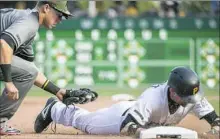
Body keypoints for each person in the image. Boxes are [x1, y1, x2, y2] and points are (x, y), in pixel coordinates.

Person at [0, 1, 97, 135]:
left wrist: (58, 91)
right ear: (46, 8)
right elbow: (4, 44)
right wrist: (9, 82)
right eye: (59, 15)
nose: (60, 20)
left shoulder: (26, 21)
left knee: (28, 70)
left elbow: (29, 71)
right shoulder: (29, 23)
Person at [34, 66, 220, 136]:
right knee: (85, 124)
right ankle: (55, 109)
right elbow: (128, 127)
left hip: (142, 113)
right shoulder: (153, 97)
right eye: (186, 97)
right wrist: (152, 133)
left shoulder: (190, 95)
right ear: (172, 91)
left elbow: (215, 120)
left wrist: (214, 129)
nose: (190, 102)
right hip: (122, 117)